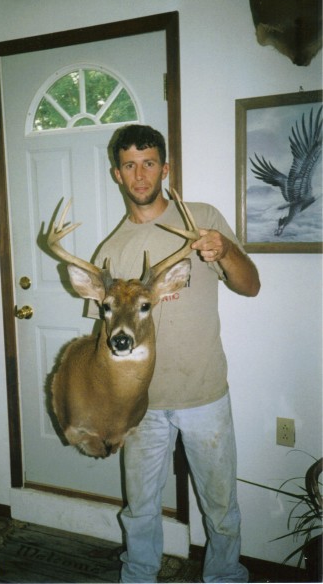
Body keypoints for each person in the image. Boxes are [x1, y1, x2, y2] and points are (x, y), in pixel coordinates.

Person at [89, 124, 260, 583]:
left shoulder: (200, 218)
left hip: (203, 392)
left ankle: (225, 577)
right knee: (140, 508)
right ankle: (138, 576)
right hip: (141, 404)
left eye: (148, 163)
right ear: (117, 174)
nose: (140, 174)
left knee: (220, 506)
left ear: (165, 168)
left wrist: (223, 251)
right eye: (129, 165)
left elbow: (251, 286)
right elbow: (104, 340)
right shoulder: (109, 252)